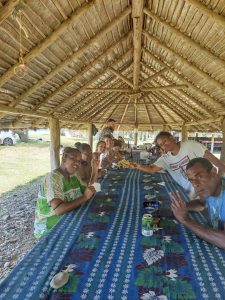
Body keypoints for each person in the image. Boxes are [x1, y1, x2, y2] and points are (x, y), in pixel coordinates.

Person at [135, 131, 225, 197]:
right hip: (192, 192)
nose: (164, 145)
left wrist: (221, 174)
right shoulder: (165, 158)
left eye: (165, 141)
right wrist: (136, 166)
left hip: (208, 187)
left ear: (172, 138)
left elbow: (213, 160)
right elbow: (151, 169)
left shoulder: (190, 145)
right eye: (161, 145)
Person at [34, 147, 95, 238]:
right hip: (50, 227)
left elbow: (90, 191)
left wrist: (95, 169)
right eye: (73, 158)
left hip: (69, 218)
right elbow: (58, 209)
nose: (77, 163)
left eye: (79, 161)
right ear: (63, 158)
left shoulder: (74, 176)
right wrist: (85, 197)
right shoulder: (53, 178)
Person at [170, 157, 225, 249]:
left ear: (213, 172)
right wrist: (181, 207)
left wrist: (185, 220)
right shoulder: (210, 189)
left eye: (199, 176)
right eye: (191, 180)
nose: (195, 184)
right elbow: (201, 204)